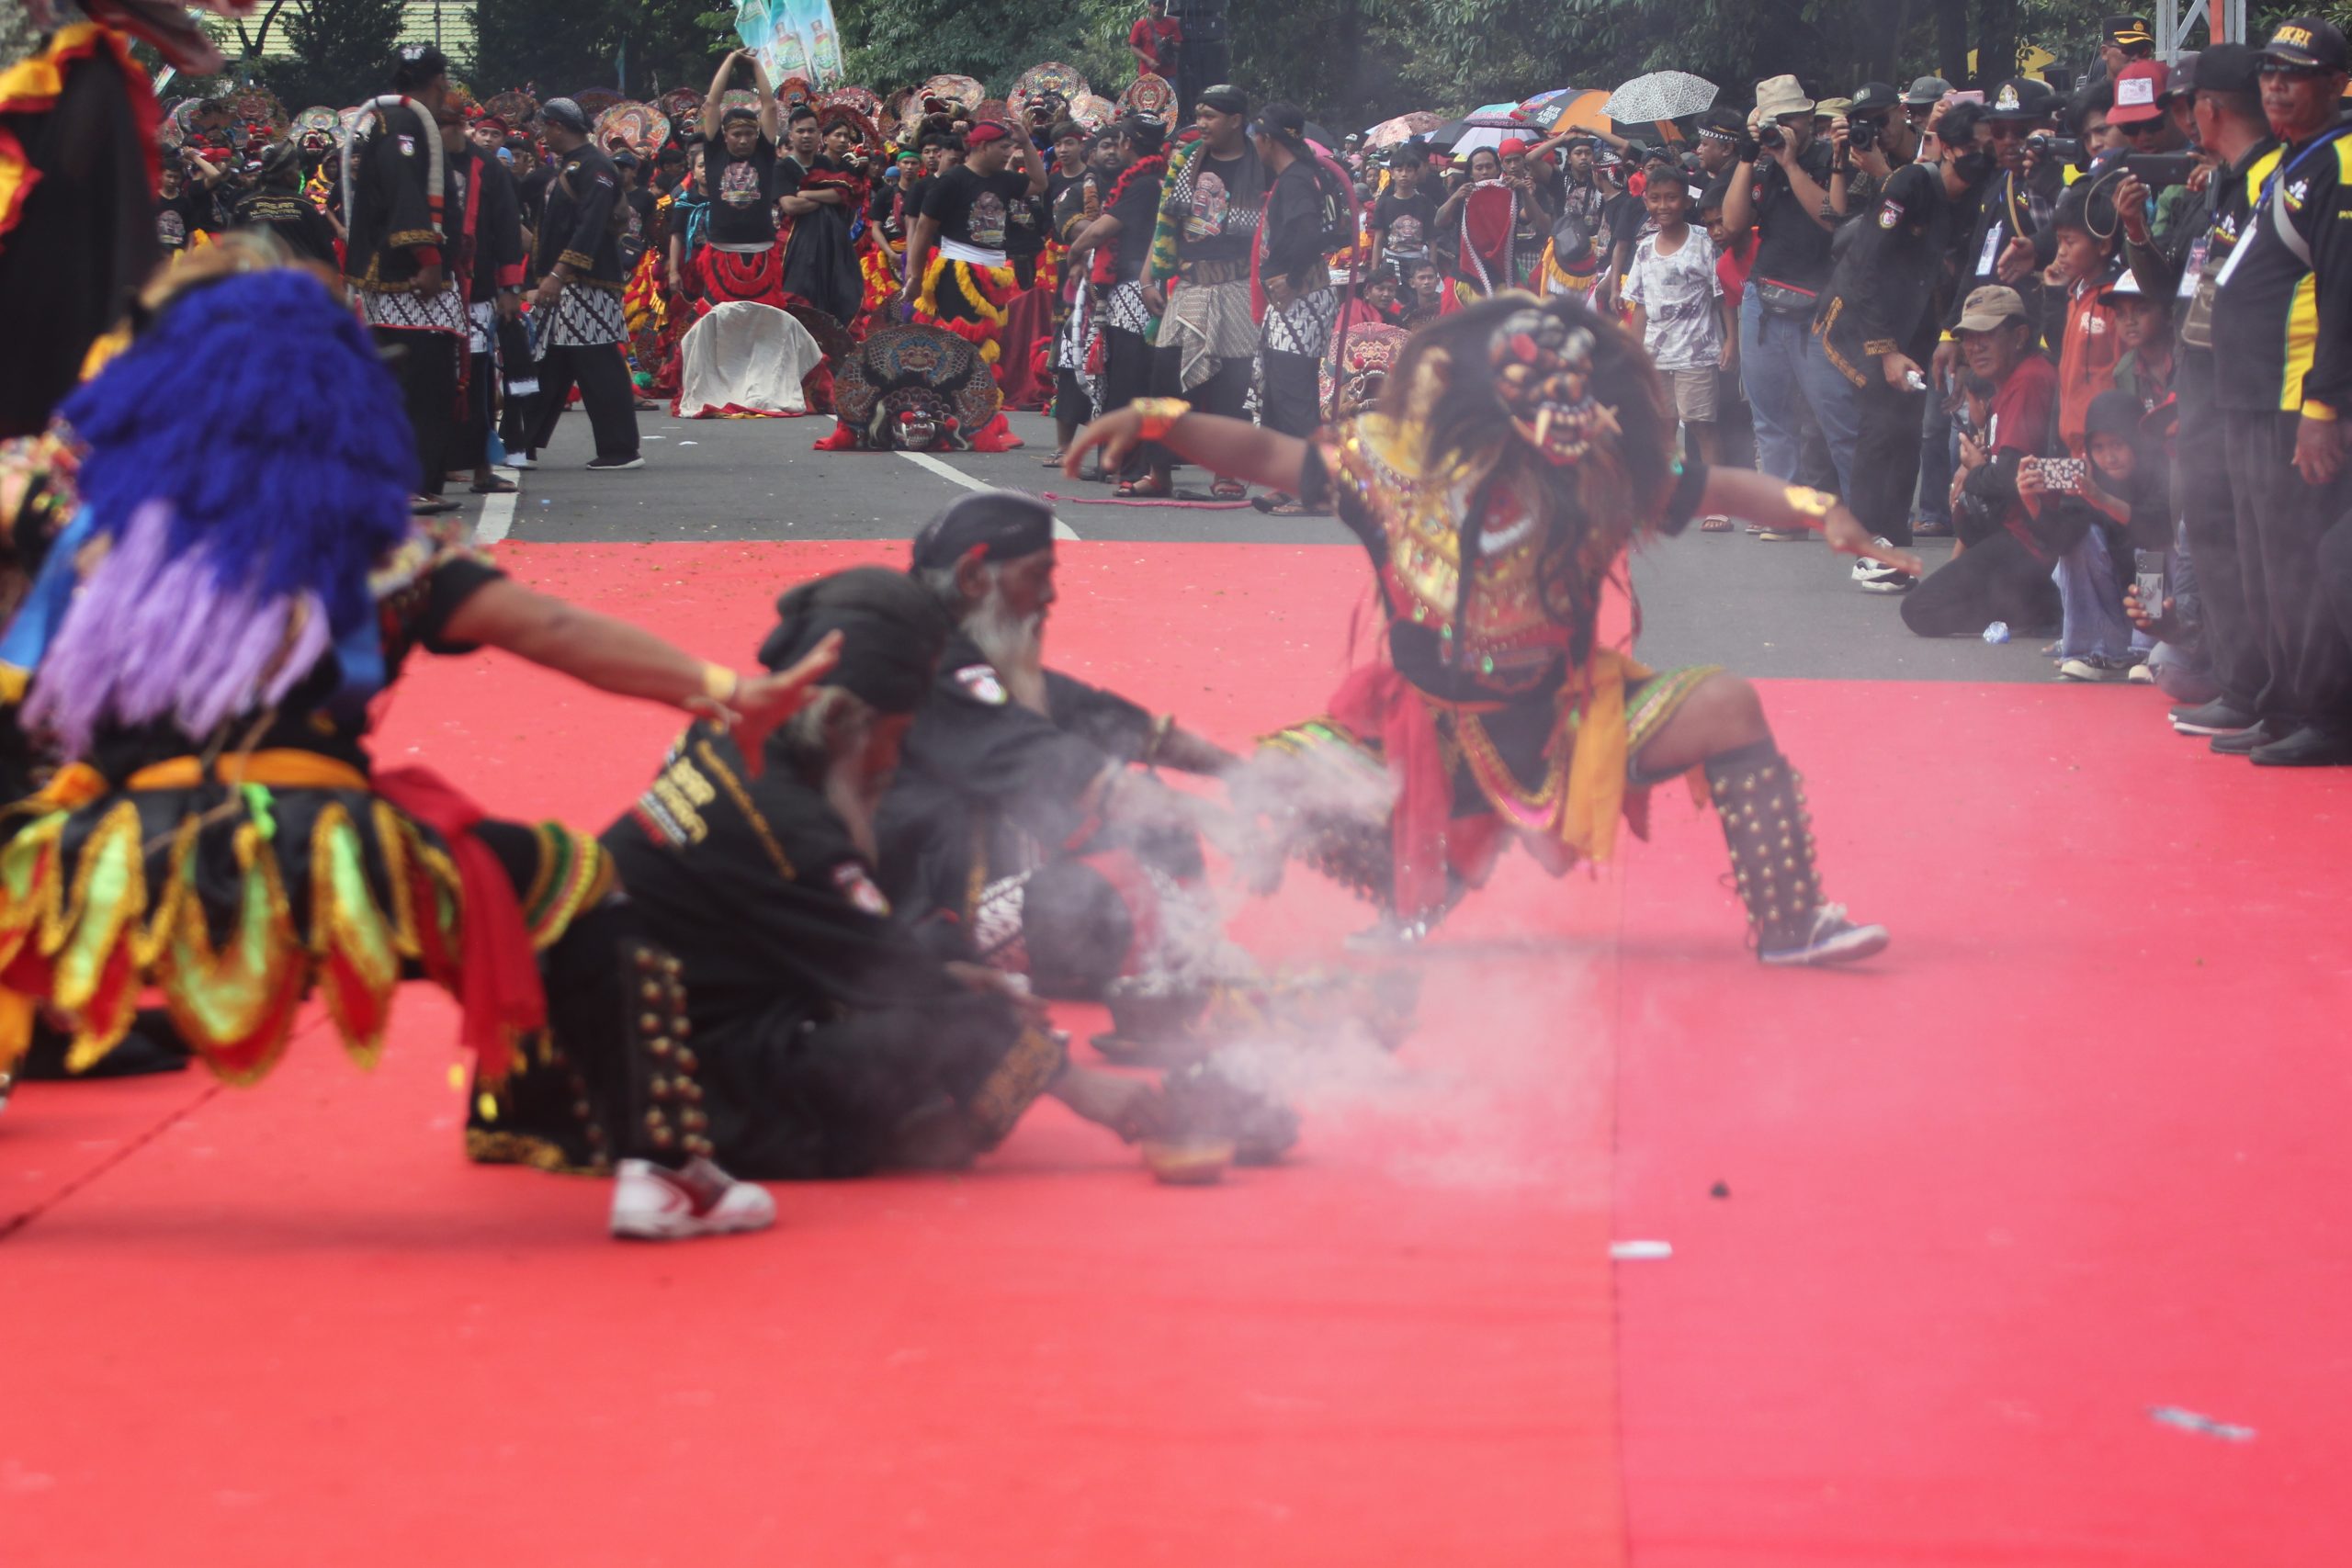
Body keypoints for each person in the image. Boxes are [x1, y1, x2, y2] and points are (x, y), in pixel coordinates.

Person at [0, 254, 840, 1238]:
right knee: (576, 892)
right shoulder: (377, 552)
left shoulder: (86, 529)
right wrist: (726, 693)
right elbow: (555, 633)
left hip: (112, 856)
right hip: (343, 859)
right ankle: (659, 1171)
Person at [1065, 299, 1913, 964]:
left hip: (1568, 724)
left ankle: (1791, 921)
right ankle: (1418, 889)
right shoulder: (1389, 474)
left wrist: (1822, 508)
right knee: (1281, 778)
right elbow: (1264, 456)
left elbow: (1723, 489)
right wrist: (1155, 416)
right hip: (1425, 736)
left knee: (1727, 704)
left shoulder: (1601, 474)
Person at [563, 567, 1168, 1179]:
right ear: (838, 721)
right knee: (921, 1021)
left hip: (668, 1005)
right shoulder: (788, 819)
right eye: (896, 735)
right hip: (652, 1076)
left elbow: (836, 940)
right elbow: (891, 976)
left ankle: (897, 1115)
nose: (894, 760)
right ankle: (860, 1132)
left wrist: (953, 974)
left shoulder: (733, 735)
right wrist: (1085, 1088)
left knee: (936, 959)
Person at [878, 493, 1240, 998]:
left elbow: (1106, 719)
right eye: (1037, 574)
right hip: (918, 906)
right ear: (973, 577)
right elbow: (1046, 762)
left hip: (987, 863)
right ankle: (1164, 950)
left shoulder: (962, 647)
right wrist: (1208, 816)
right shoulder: (925, 661)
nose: (1050, 595)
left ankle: (1180, 946)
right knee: (1099, 886)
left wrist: (1248, 775)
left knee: (1151, 821)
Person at [2206, 15, 2352, 765]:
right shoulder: (2297, 159)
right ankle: (2281, 702)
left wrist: (2324, 411)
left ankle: (2326, 717)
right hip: (2251, 392)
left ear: (2338, 85)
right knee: (2263, 559)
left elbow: (2344, 294)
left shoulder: (2341, 162)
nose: (2276, 85)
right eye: (2268, 72)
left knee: (2297, 560)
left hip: (2295, 401)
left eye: (2294, 75)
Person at [1812, 100, 1990, 589]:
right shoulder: (1909, 185)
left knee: (1906, 428)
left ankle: (1892, 536)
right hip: (1865, 320)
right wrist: (1886, 350)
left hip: (1920, 323)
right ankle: (1869, 546)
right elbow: (1866, 267)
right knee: (1879, 427)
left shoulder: (1982, 195)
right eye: (1973, 147)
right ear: (1948, 149)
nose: (1984, 155)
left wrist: (1950, 336)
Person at [1902, 286, 2067, 638]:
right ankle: (2036, 603)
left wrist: (1975, 471)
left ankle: (2042, 606)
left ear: (2019, 336)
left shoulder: (2029, 380)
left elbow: (2011, 475)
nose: (1974, 347)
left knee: (1920, 610)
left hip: (2033, 539)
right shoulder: (2014, 379)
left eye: (1986, 336)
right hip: (2024, 532)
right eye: (1969, 338)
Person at [343, 44, 467, 514]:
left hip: (406, 275)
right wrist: (428, 256)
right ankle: (404, 483)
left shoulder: (398, 119)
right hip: (406, 277)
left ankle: (416, 483)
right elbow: (405, 190)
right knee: (421, 381)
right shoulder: (404, 123)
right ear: (438, 82)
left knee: (425, 379)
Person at [1138, 84, 1267, 501]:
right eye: (1199, 114)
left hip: (1237, 286)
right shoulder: (1185, 161)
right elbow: (1164, 225)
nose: (1202, 123)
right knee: (1163, 381)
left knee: (1233, 386)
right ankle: (1158, 472)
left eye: (1210, 116)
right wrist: (1146, 278)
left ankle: (1225, 473)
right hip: (1188, 286)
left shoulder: (1261, 164)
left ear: (1236, 121)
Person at [1723, 75, 1838, 487]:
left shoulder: (1829, 159)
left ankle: (1847, 505)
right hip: (1764, 296)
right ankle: (1782, 507)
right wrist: (1747, 156)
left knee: (1831, 411)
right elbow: (1734, 224)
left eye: (1791, 120)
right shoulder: (1762, 164)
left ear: (1809, 117)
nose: (1785, 129)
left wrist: (1790, 163)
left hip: (1819, 299)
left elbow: (1831, 218)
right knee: (1769, 413)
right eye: (1775, 122)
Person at [521, 97, 644, 472]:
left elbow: (589, 227)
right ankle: (519, 445)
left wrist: (558, 273)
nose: (542, 135)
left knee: (598, 362)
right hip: (564, 284)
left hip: (585, 283)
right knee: (549, 364)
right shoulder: (572, 166)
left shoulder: (595, 166)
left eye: (545, 127)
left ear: (557, 126)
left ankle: (620, 448)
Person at [902, 120, 1047, 396]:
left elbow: (1040, 183)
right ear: (982, 146)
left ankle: (975, 408)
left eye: (1011, 147)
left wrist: (1027, 143)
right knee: (961, 340)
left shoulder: (1005, 180)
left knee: (989, 342)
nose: (1009, 153)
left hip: (994, 271)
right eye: (1004, 147)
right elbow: (923, 228)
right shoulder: (951, 181)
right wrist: (916, 277)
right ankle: (948, 404)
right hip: (959, 271)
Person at [1067, 116, 1171, 493]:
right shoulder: (1154, 180)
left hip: (1135, 288)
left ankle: (1128, 465)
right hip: (1135, 286)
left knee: (1130, 376)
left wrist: (1075, 252)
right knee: (1123, 376)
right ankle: (1120, 460)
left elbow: (1102, 229)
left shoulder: (1144, 185)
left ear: (1127, 142)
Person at [2036, 388, 2169, 680]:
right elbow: (2061, 542)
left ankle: (2148, 654)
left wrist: (2102, 500)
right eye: (2098, 448)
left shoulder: (2161, 470)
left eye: (2117, 445)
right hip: (2112, 608)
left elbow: (2157, 529)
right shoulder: (2087, 478)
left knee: (2152, 552)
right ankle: (2094, 651)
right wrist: (2032, 504)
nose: (2108, 457)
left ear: (2136, 441)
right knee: (2080, 540)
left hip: (2161, 614)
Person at [1623, 157, 1731, 514]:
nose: (1663, 206)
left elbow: (1723, 295)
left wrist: (1731, 340)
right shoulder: (1643, 248)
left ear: (1686, 201)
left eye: (1671, 198)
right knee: (1664, 428)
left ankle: (1715, 502)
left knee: (1702, 426)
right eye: (1655, 198)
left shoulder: (1703, 242)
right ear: (1646, 202)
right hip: (1656, 355)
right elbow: (1639, 306)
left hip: (1697, 353)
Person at [1250, 102, 1338, 515]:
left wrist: (1295, 277)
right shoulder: (1301, 177)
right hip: (1293, 302)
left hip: (1300, 300)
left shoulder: (1297, 181)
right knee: (1275, 394)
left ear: (1266, 140)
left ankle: (1313, 490)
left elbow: (1310, 232)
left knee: (1293, 393)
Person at [438, 106, 526, 497]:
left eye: (443, 125)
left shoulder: (489, 168)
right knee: (431, 379)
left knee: (476, 377)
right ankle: (434, 466)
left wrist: (510, 289)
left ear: (461, 127)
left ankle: (479, 467)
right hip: (431, 286)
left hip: (477, 287)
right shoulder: (419, 161)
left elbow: (507, 228)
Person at [695, 49, 786, 310]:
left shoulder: (765, 154)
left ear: (757, 135)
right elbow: (712, 104)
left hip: (762, 247)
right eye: (737, 134)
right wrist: (731, 60)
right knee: (719, 319)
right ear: (725, 135)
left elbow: (769, 105)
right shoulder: (714, 154)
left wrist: (756, 64)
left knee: (764, 320)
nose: (744, 140)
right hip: (721, 247)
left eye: (749, 133)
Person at [231, 140, 340, 265]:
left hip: (257, 279)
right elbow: (325, 253)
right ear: (287, 175)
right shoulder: (304, 206)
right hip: (296, 279)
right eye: (298, 169)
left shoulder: (245, 205)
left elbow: (232, 248)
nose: (299, 174)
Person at [1368, 139, 1436, 284]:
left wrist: (1433, 270)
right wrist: (1375, 271)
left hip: (1419, 265)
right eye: (1399, 170)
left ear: (1416, 174)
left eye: (1409, 170)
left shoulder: (1425, 203)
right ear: (1392, 173)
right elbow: (1378, 241)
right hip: (1392, 264)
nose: (1404, 174)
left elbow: (1432, 241)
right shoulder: (1384, 204)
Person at [1129, 0, 1181, 81]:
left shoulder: (1172, 23)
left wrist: (1169, 44)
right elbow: (1133, 47)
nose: (1157, 8)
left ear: (1165, 7)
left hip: (1169, 73)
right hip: (1147, 74)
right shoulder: (1139, 25)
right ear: (1149, 6)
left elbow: (1179, 46)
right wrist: (1148, 60)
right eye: (1155, 5)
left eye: (1160, 5)